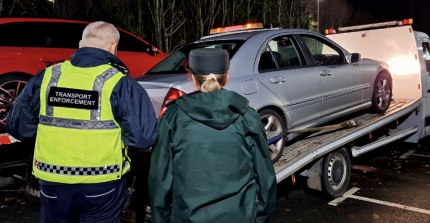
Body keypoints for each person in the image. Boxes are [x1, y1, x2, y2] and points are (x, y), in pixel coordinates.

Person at [6, 21, 157, 223]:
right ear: (114, 48)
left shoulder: (47, 76)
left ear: (80, 44)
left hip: (52, 180)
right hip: (102, 183)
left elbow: (17, 128)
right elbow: (142, 138)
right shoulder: (121, 83)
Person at [149, 48, 277, 223]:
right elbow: (265, 176)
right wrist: (259, 217)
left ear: (192, 77)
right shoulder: (247, 116)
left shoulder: (173, 118)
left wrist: (161, 219)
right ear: (227, 77)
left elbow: (160, 180)